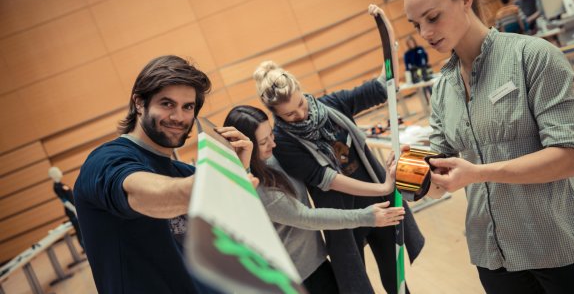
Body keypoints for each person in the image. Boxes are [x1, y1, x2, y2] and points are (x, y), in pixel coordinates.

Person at [403, 0, 574, 294]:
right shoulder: (442, 88)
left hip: (558, 248)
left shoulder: (533, 56)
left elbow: (570, 159)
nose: (425, 34)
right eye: (416, 24)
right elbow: (438, 174)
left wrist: (477, 173)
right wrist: (407, 172)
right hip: (492, 257)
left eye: (432, 17)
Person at [73, 55, 254, 293]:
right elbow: (143, 194)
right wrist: (213, 184)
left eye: (187, 107)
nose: (178, 117)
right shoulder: (106, 161)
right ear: (139, 103)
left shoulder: (185, 172)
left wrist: (238, 172)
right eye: (167, 104)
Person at [253, 59, 424, 294]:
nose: (301, 114)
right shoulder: (283, 142)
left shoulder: (330, 105)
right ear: (276, 114)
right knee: (356, 286)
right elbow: (329, 179)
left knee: (396, 279)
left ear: (302, 91)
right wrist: (383, 187)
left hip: (381, 206)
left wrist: (388, 46)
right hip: (343, 218)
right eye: (290, 114)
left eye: (301, 103)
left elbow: (380, 87)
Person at [223, 105, 405, 293]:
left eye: (271, 134)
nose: (273, 143)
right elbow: (306, 218)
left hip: (314, 262)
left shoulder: (273, 156)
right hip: (297, 277)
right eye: (263, 142)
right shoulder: (258, 186)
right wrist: (365, 217)